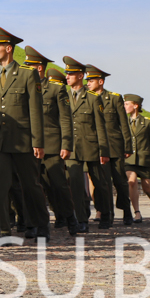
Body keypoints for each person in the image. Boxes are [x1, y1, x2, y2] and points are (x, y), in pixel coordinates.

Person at [0, 26, 49, 241]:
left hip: (23, 141)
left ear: (8, 48)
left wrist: (38, 141)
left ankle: (40, 224)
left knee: (31, 186)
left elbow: (35, 111)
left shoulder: (27, 75)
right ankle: (1, 229)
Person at [24, 47, 78, 237]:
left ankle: (70, 217)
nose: (25, 68)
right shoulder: (23, 87)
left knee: (58, 185)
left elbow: (65, 119)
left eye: (28, 65)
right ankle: (34, 223)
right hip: (28, 146)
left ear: (39, 68)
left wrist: (66, 145)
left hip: (52, 146)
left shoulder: (56, 89)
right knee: (31, 185)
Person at [62, 56, 113, 231]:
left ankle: (105, 213)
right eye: (66, 73)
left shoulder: (92, 98)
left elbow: (101, 126)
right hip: (72, 148)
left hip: (92, 147)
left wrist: (104, 150)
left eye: (71, 74)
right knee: (75, 183)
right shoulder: (64, 96)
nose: (67, 76)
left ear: (80, 76)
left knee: (100, 184)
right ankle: (82, 219)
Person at [86, 65, 133, 226]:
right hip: (98, 147)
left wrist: (128, 146)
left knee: (120, 181)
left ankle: (127, 211)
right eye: (87, 80)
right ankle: (106, 214)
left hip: (114, 146)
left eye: (91, 80)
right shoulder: (87, 98)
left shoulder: (113, 98)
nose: (88, 83)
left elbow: (123, 124)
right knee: (102, 182)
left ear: (101, 81)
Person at [123, 95, 150, 221]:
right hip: (129, 159)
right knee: (131, 181)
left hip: (145, 159)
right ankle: (137, 212)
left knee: (147, 188)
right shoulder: (123, 122)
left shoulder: (148, 122)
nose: (125, 106)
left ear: (135, 105)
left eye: (127, 104)